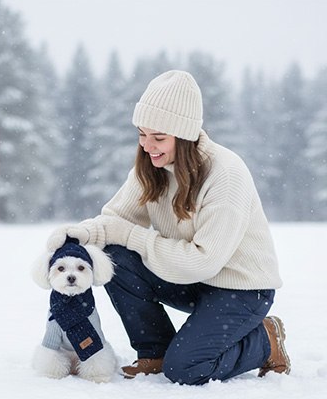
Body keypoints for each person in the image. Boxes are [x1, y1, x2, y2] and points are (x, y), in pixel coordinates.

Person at [46, 70, 291, 385]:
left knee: (187, 369)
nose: (147, 146)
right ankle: (154, 352)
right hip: (192, 282)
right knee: (111, 254)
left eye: (158, 137)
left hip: (241, 289)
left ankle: (266, 341)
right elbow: (117, 220)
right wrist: (82, 234)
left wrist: (133, 236)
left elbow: (202, 261)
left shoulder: (226, 176)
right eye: (141, 134)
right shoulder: (151, 166)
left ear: (184, 135)